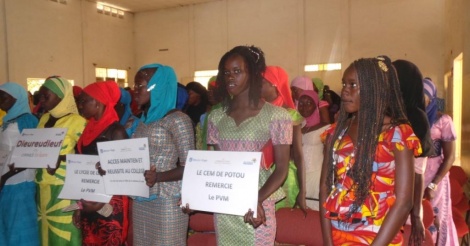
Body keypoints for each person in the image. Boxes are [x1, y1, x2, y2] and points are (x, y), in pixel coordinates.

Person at [319, 56, 421, 245]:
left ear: (373, 90)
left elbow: (404, 201)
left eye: (353, 85)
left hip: (381, 237)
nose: (344, 91)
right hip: (338, 234)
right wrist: (328, 242)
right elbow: (325, 187)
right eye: (343, 84)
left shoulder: (397, 134)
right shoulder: (336, 132)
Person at [205, 45, 292, 245]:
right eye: (226, 72)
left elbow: (281, 169)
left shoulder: (276, 116)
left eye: (237, 71)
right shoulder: (216, 117)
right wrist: (197, 194)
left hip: (257, 204)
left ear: (252, 74)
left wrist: (256, 200)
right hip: (226, 205)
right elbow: (219, 165)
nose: (230, 77)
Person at [132, 63, 194, 245]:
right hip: (142, 196)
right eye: (134, 86)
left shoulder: (178, 120)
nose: (135, 91)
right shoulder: (143, 121)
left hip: (167, 198)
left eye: (140, 86)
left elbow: (190, 165)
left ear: (157, 87)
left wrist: (158, 176)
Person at [73, 81, 129, 245]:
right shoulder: (88, 129)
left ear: (97, 103)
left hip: (109, 204)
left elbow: (125, 173)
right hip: (88, 200)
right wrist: (79, 206)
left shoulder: (116, 131)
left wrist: (100, 203)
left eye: (84, 101)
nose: (80, 105)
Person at [36, 76, 86, 245]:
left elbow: (85, 157)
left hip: (65, 188)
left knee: (64, 234)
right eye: (40, 96)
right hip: (42, 187)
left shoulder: (77, 121)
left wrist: (62, 158)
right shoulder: (43, 119)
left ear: (61, 96)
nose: (41, 100)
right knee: (46, 235)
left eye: (46, 96)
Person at [393, 59, 436, 245]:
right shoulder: (388, 113)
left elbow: (418, 172)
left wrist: (417, 216)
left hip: (404, 203)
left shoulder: (416, 119)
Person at [261, 65, 306, 211]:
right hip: (261, 175)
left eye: (261, 82)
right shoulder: (257, 112)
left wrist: (302, 191)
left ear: (274, 84)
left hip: (286, 179)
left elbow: (298, 155)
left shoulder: (289, 114)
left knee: (283, 224)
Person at [0, 82, 39, 246]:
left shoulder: (28, 120)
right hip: (5, 181)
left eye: (4, 96)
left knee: (20, 228)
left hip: (19, 182)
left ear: (18, 98)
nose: (0, 99)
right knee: (8, 226)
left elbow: (33, 153)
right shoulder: (7, 120)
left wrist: (6, 176)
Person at [423, 78, 459, 245]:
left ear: (431, 98)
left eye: (423, 96)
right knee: (419, 219)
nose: (420, 100)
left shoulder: (443, 120)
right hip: (416, 174)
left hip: (435, 177)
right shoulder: (413, 119)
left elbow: (450, 157)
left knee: (437, 218)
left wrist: (433, 184)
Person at [297, 90, 329, 210]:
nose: (304, 107)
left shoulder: (325, 128)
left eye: (309, 103)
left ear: (316, 106)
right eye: (301, 103)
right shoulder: (295, 127)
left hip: (317, 176)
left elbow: (328, 155)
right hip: (298, 176)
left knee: (315, 211)